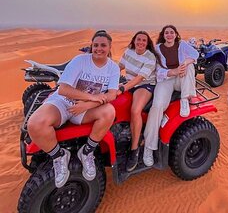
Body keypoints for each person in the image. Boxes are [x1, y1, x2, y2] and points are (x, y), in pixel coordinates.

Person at [27, 30, 120, 188]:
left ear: (110, 47)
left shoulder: (113, 68)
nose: (99, 48)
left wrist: (87, 105)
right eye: (95, 45)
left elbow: (111, 95)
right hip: (63, 102)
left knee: (109, 112)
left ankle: (87, 152)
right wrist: (91, 97)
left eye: (103, 45)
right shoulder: (80, 61)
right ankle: (59, 156)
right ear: (91, 45)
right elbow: (63, 89)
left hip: (85, 109)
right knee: (34, 124)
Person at [142, 25, 199, 167]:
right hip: (166, 79)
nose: (169, 35)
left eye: (171, 32)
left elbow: (195, 55)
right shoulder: (157, 48)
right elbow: (157, 70)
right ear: (163, 35)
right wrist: (172, 71)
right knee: (156, 107)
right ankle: (149, 148)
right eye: (166, 32)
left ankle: (185, 99)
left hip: (181, 79)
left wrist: (185, 62)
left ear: (175, 34)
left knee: (189, 67)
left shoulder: (182, 45)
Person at [118, 31, 163, 172]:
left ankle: (134, 149)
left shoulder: (150, 57)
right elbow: (118, 67)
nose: (141, 42)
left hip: (144, 85)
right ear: (134, 40)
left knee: (135, 110)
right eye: (139, 39)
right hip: (128, 83)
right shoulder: (129, 51)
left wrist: (123, 88)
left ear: (147, 43)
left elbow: (139, 79)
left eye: (144, 40)